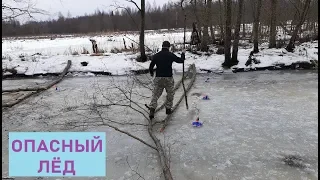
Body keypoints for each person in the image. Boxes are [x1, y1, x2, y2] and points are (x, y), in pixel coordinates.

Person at [148, 41, 185, 119]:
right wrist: (183, 53)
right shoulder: (170, 55)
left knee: (155, 94)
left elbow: (151, 66)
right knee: (170, 93)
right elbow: (181, 61)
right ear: (169, 47)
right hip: (168, 78)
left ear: (162, 46)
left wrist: (151, 73)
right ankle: (168, 109)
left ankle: (152, 109)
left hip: (158, 78)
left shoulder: (156, 55)